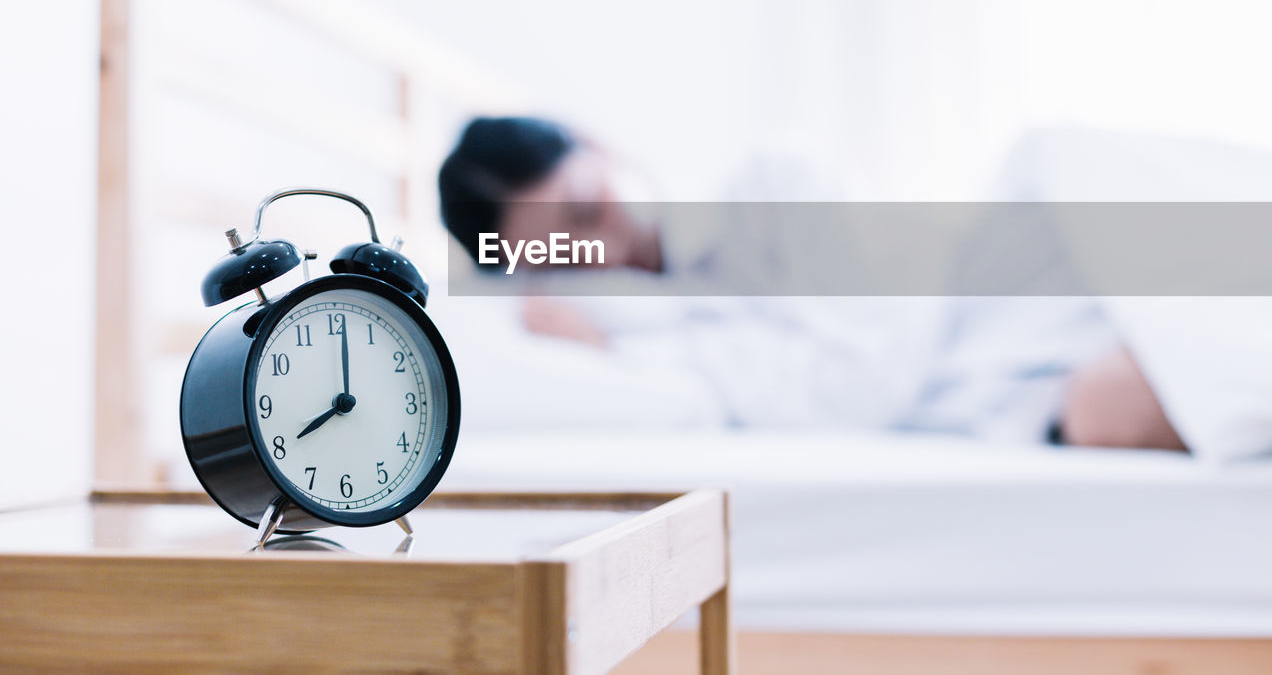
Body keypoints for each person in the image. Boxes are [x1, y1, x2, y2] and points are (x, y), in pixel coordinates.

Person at [438, 115, 1186, 452]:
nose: (601, 249)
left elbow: (867, 380)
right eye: (566, 252)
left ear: (598, 148)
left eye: (587, 209)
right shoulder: (630, 332)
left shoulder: (775, 182)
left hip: (1023, 289)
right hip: (1012, 381)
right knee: (1107, 404)